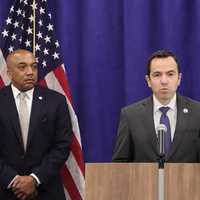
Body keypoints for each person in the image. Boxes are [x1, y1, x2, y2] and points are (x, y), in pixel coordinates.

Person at [0, 49, 72, 200]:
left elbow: (62, 145)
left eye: (34, 66)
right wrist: (13, 180)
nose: (30, 72)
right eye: (22, 67)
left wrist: (34, 178)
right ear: (9, 73)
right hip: (5, 190)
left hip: (46, 191)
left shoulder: (56, 101)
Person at [112, 49, 200, 163]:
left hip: (188, 180)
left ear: (179, 79)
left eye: (170, 74)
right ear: (148, 80)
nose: (164, 81)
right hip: (144, 181)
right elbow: (120, 164)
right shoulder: (130, 115)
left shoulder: (197, 112)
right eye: (157, 75)